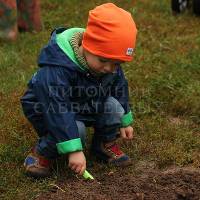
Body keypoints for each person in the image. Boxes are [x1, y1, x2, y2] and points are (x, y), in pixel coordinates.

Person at [21, 3, 137, 178]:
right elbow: (57, 109)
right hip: (48, 108)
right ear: (88, 46)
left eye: (117, 64)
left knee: (114, 108)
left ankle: (103, 145)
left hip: (84, 102)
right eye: (104, 61)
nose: (110, 69)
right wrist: (74, 149)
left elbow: (119, 85)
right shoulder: (58, 68)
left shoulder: (108, 63)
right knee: (76, 129)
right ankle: (42, 153)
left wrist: (125, 119)